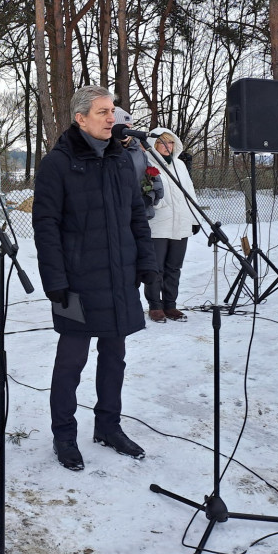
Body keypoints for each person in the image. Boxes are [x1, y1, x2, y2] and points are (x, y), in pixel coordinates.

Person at [33, 86, 158, 471]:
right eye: (103, 112)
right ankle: (64, 435)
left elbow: (136, 215)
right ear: (80, 118)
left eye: (113, 112)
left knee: (115, 357)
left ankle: (108, 426)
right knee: (71, 361)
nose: (111, 118)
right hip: (76, 282)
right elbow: (46, 225)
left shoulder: (122, 159)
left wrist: (146, 263)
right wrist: (54, 280)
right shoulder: (58, 163)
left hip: (119, 277)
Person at [142, 128, 200, 323]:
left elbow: (189, 192)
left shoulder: (180, 165)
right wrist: (159, 203)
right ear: (154, 145)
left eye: (171, 142)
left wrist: (194, 219)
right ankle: (155, 306)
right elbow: (146, 192)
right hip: (158, 224)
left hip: (181, 223)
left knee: (174, 267)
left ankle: (170, 305)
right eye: (162, 142)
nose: (167, 147)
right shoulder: (147, 163)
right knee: (156, 268)